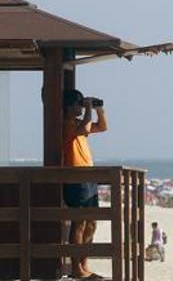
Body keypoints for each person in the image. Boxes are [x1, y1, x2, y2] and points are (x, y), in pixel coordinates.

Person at [62, 89, 108, 279]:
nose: (80, 108)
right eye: (78, 104)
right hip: (75, 178)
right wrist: (88, 108)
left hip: (88, 177)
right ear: (69, 107)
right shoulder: (66, 125)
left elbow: (103, 127)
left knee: (92, 223)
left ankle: (83, 264)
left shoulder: (80, 124)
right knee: (79, 223)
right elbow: (85, 129)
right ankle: (76, 268)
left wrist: (99, 109)